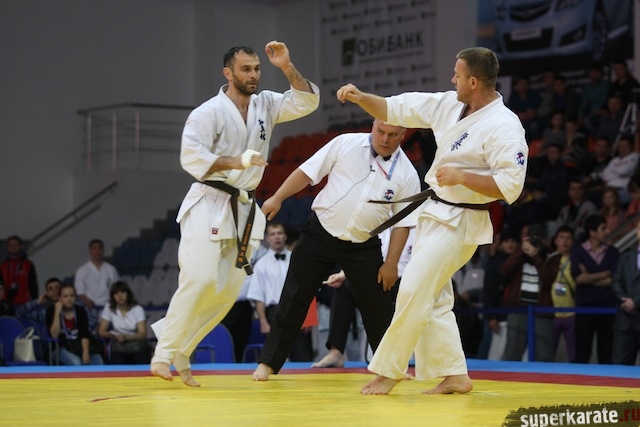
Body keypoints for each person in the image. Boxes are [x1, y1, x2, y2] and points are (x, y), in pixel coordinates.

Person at [334, 46, 527, 395]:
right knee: (435, 299)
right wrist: (362, 98)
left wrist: (463, 176)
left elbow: (510, 188)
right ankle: (454, 374)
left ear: (473, 81)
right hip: (435, 212)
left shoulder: (504, 126)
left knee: (412, 288)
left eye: (457, 75)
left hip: (462, 221)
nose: (452, 80)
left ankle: (389, 370)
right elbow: (395, 108)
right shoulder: (449, 105)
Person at [150, 41, 319, 386]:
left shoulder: (266, 104)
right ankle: (163, 354)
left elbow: (307, 101)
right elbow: (190, 156)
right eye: (246, 69)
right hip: (209, 201)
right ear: (228, 73)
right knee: (199, 279)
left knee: (228, 293)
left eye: (257, 69)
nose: (254, 75)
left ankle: (182, 350)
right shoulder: (208, 112)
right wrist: (235, 161)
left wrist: (286, 67)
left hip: (244, 207)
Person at [251, 118, 421, 381]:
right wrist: (277, 197)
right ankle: (268, 363)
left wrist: (391, 263)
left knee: (378, 307)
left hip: (363, 245)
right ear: (373, 126)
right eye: (381, 131)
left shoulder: (407, 173)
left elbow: (402, 223)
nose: (385, 139)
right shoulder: (345, 143)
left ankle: (392, 367)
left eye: (392, 134)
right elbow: (307, 172)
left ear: (403, 135)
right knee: (294, 296)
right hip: (320, 233)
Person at [312, 228, 415, 368]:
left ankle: (390, 357)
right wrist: (344, 274)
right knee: (345, 287)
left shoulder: (415, 226)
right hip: (377, 279)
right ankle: (336, 351)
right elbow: (363, 257)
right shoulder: (377, 224)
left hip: (407, 281)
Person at [246, 221, 312, 361]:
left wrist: (309, 318)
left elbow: (307, 289)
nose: (277, 237)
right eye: (273, 234)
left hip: (297, 310)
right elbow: (258, 296)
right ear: (267, 238)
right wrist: (263, 322)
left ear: (285, 236)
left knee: (303, 356)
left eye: (279, 233)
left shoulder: (297, 259)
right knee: (274, 359)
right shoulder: (261, 265)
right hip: (274, 313)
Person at [500, 223, 554, 362]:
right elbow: (504, 271)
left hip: (541, 311)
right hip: (518, 309)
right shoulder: (519, 256)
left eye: (539, 239)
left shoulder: (551, 257)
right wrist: (521, 251)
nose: (535, 242)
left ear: (545, 240)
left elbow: (548, 280)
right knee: (512, 353)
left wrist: (536, 256)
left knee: (543, 355)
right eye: (532, 238)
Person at [570, 214, 619, 364]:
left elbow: (614, 280)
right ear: (592, 232)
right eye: (603, 228)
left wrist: (589, 277)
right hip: (585, 307)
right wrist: (604, 273)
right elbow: (579, 279)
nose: (607, 231)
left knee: (606, 353)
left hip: (608, 308)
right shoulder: (577, 251)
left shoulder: (613, 252)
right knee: (582, 352)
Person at [46, 283, 104, 366]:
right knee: (77, 363)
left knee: (98, 360)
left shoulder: (80, 310)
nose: (69, 299)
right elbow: (54, 335)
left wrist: (85, 352)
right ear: (59, 298)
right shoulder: (51, 310)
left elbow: (84, 333)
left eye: (72, 296)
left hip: (80, 346)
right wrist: (57, 312)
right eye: (65, 296)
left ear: (75, 298)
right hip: (61, 347)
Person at [543, 226, 577, 362]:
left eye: (568, 238)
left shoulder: (576, 260)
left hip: (572, 313)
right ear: (555, 240)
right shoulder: (549, 259)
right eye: (562, 238)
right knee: (547, 353)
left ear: (573, 241)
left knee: (573, 354)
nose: (565, 241)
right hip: (552, 313)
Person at [97, 281, 149, 364]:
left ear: (128, 294)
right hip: (118, 343)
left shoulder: (138, 309)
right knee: (116, 353)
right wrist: (113, 335)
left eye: (123, 292)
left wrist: (126, 337)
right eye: (116, 294)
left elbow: (142, 334)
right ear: (113, 296)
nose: (120, 296)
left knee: (141, 354)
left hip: (136, 343)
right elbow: (101, 332)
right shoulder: (109, 308)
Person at [611, 221, 640, 365]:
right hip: (625, 320)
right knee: (620, 366)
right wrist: (625, 301)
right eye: (639, 228)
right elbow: (616, 282)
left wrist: (635, 302)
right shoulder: (626, 256)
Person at [74, 238, 119, 321]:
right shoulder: (82, 270)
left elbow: (116, 288)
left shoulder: (111, 269)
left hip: (107, 306)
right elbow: (79, 291)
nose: (97, 251)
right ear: (90, 251)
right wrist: (87, 301)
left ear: (103, 250)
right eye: (94, 248)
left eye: (100, 248)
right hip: (90, 307)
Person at [0, 235, 38, 307]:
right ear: (8, 247)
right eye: (11, 245)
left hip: (25, 303)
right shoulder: (3, 266)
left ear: (21, 246)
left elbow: (33, 285)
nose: (13, 247)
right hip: (7, 304)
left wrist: (34, 302)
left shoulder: (28, 265)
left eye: (15, 244)